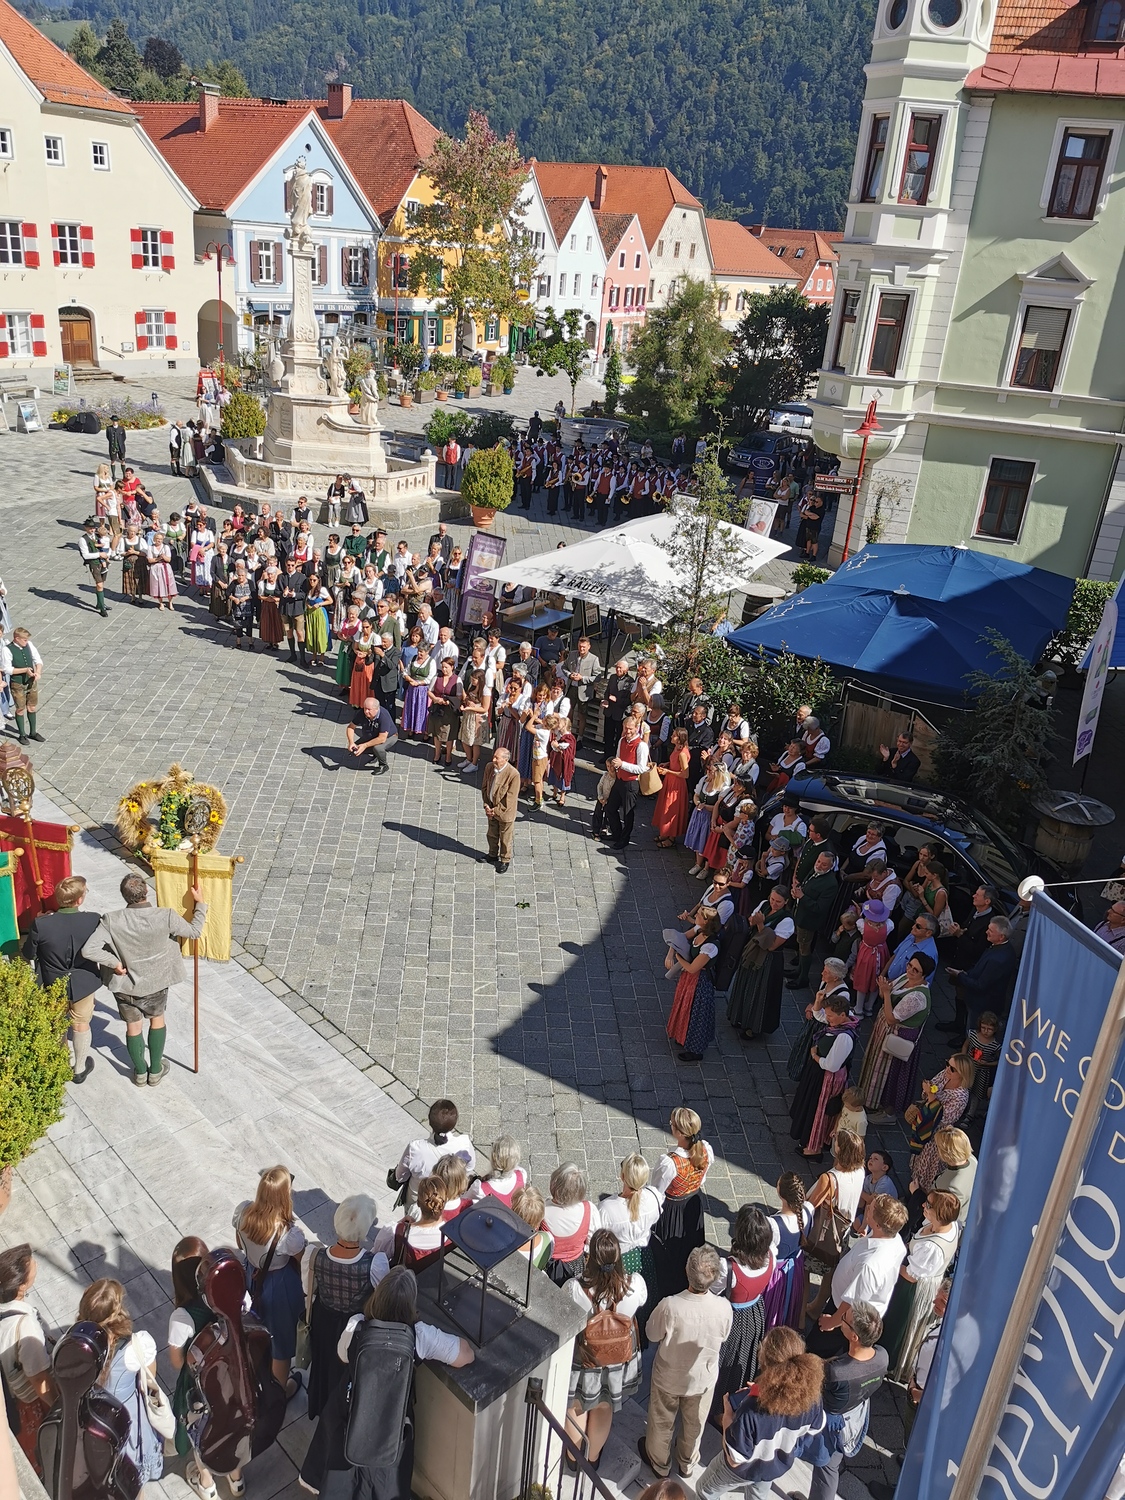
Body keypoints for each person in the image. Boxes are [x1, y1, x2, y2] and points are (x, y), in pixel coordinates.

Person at [299, 1267, 473, 1500]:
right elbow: (465, 1356)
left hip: (349, 1416)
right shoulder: (419, 1335)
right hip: (391, 1428)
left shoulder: (357, 1324)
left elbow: (342, 1355)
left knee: (341, 1477)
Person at [82, 872, 207, 1087]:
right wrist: (201, 904)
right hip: (156, 983)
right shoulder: (165, 915)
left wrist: (114, 963)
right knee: (157, 1020)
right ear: (146, 891)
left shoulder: (111, 920)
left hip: (125, 985)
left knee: (133, 1027)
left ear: (124, 895)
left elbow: (89, 950)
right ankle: (155, 1070)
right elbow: (194, 932)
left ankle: (140, 1073)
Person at [694, 1326, 824, 1500]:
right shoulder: (813, 1399)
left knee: (704, 1490)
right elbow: (813, 1430)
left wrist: (727, 1417)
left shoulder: (751, 1410)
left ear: (764, 1361)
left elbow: (735, 1459)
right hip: (773, 1467)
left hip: (741, 1471)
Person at [640, 1245, 732, 1480]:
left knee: (662, 1422)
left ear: (686, 1271)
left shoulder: (670, 1305)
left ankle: (660, 1464)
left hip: (669, 1376)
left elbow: (651, 1333)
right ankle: (687, 1463)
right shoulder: (724, 1307)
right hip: (703, 1378)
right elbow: (724, 1335)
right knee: (695, 1424)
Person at [565, 1229, 646, 1468]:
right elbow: (641, 1302)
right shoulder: (634, 1285)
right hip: (616, 1360)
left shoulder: (575, 1289)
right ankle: (592, 1459)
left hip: (584, 1358)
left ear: (590, 1259)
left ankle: (573, 1458)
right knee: (603, 1406)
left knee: (576, 1406)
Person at [78, 1278, 165, 1489]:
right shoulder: (137, 1346)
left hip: (92, 1417)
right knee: (132, 1478)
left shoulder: (76, 1344)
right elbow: (149, 1379)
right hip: (125, 1414)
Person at [233, 1165, 306, 1401]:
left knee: (257, 1326)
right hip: (279, 1286)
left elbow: (239, 1243)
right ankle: (278, 1395)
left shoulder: (243, 1212)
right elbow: (303, 1262)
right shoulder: (288, 1235)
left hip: (252, 1275)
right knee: (281, 1345)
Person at [803, 1301, 889, 1500]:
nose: (840, 1319)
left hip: (831, 1424)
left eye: (844, 1319)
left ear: (854, 1336)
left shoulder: (837, 1371)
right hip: (855, 1413)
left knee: (825, 1467)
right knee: (830, 1466)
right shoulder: (883, 1356)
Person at [303, 1195, 379, 1420]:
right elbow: (380, 1297)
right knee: (347, 1373)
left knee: (323, 1366)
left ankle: (321, 1406)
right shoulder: (375, 1263)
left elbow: (308, 1289)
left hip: (324, 1320)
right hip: (354, 1328)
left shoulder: (313, 1256)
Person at [23, 873, 103, 1083]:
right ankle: (79, 1068)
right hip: (84, 982)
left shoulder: (41, 924)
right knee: (81, 1024)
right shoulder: (93, 919)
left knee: (57, 1024)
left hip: (52, 982)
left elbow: (28, 954)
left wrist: (39, 922)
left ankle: (61, 1063)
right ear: (79, 900)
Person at [808, 1195, 909, 1358]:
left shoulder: (871, 1265)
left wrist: (832, 1322)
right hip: (847, 1306)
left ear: (878, 1225)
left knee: (816, 1349)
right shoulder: (893, 1238)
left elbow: (853, 1303)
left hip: (846, 1317)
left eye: (871, 1208)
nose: (867, 1207)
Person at [879, 1190, 960, 1380]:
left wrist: (891, 1261)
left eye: (929, 1205)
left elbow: (911, 1275)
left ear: (939, 1214)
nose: (923, 1205)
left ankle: (889, 1362)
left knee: (899, 1323)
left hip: (915, 1288)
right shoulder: (946, 1226)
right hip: (922, 1276)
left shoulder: (933, 1247)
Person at [857, 952, 935, 1116]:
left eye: (916, 970)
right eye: (910, 965)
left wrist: (886, 993)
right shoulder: (905, 978)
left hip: (898, 1036)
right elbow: (885, 994)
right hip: (885, 1030)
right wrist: (883, 989)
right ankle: (870, 1096)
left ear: (924, 975)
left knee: (890, 1073)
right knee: (875, 1064)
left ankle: (884, 1107)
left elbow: (891, 1018)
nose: (910, 970)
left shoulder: (917, 997)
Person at [789, 980, 859, 1160]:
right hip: (819, 1073)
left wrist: (815, 1056)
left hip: (827, 1077)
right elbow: (819, 1016)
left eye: (831, 1016)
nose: (828, 1019)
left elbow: (832, 1065)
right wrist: (818, 1002)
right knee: (812, 1107)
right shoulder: (839, 1024)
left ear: (843, 1015)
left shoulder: (844, 1037)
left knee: (819, 1110)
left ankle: (814, 1149)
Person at [0, 1244, 54, 1468]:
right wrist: (58, 1407)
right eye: (32, 1264)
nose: (36, 1263)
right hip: (29, 1404)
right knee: (44, 1453)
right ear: (21, 1286)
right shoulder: (25, 1327)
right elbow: (39, 1381)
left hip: (8, 1394)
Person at [651, 1108, 714, 1297]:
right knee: (690, 1245)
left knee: (670, 1251)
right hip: (693, 1205)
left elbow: (657, 1191)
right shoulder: (706, 1150)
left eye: (672, 1124)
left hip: (672, 1210)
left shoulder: (669, 1163)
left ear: (679, 1133)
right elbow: (702, 1179)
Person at [726, 886, 794, 1042]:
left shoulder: (787, 921)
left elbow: (772, 945)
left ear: (786, 902)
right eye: (772, 899)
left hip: (768, 960)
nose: (774, 903)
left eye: (778, 901)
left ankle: (753, 1027)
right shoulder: (764, 904)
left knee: (759, 992)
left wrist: (761, 925)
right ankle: (738, 1016)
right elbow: (751, 921)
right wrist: (755, 922)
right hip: (752, 950)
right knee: (744, 983)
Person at [937, 886, 998, 1035]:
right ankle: (958, 1023)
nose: (973, 896)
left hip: (971, 967)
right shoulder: (976, 911)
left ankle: (964, 1031)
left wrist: (960, 935)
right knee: (959, 994)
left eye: (977, 895)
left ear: (987, 901)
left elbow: (978, 950)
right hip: (961, 960)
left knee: (967, 999)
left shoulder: (989, 923)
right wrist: (961, 929)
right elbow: (968, 927)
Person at [392, 1100, 475, 1206]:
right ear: (455, 1122)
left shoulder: (415, 1148)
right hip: (448, 1200)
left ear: (430, 1121)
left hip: (419, 1201)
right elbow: (469, 1169)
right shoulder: (464, 1144)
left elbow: (400, 1177)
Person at [945, 916, 1018, 1028]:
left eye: (991, 931)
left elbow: (980, 985)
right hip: (983, 1001)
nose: (986, 932)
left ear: (1001, 937)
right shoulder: (1002, 948)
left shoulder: (997, 960)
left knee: (974, 1030)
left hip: (982, 1005)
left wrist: (960, 975)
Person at [665, 915, 720, 1063]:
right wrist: (670, 953)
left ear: (707, 922)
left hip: (700, 982)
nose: (696, 916)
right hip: (689, 979)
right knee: (684, 1007)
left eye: (700, 915)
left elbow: (692, 968)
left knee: (696, 1014)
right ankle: (682, 1036)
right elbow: (679, 938)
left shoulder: (711, 946)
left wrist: (678, 957)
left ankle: (695, 1051)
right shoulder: (699, 930)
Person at [789, 849, 840, 990]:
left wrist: (802, 897)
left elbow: (820, 907)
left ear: (831, 866)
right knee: (800, 945)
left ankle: (803, 978)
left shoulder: (831, 883)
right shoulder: (815, 871)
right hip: (801, 914)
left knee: (804, 948)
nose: (819, 865)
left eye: (824, 864)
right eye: (818, 861)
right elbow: (805, 886)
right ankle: (798, 971)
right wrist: (796, 892)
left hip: (809, 920)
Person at [480, 746, 520, 873]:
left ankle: (504, 860)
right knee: (491, 834)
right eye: (494, 757)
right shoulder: (489, 767)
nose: (494, 760)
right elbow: (484, 788)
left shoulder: (513, 775)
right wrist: (486, 805)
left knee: (505, 837)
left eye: (496, 758)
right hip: (491, 808)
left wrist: (495, 810)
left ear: (505, 760)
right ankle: (492, 854)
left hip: (505, 813)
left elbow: (510, 799)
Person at [3, 627, 44, 744]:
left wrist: (38, 672)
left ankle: (33, 732)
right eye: (24, 640)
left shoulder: (29, 645)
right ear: (17, 638)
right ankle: (22, 734)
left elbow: (38, 660)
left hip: (31, 681)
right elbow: (7, 669)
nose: (27, 642)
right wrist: (25, 670)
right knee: (20, 708)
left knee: (32, 707)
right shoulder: (7, 649)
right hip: (18, 684)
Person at [653, 727, 692, 847]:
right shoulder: (677, 748)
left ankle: (671, 838)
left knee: (671, 809)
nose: (671, 736)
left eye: (674, 735)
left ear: (679, 739)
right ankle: (666, 833)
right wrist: (668, 764)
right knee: (665, 807)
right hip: (670, 781)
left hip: (676, 785)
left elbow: (685, 774)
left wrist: (668, 771)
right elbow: (676, 763)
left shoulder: (682, 753)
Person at [563, 637, 600, 747]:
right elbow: (564, 667)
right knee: (568, 712)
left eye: (584, 647)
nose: (581, 649)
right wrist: (570, 675)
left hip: (584, 691)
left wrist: (582, 678)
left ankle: (579, 738)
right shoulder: (572, 654)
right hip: (572, 688)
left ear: (589, 647)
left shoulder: (594, 659)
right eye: (580, 646)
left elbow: (597, 677)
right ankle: (567, 734)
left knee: (582, 715)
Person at [78, 516, 111, 617]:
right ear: (85, 528)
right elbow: (85, 555)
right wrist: (99, 554)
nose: (92, 530)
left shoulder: (97, 536)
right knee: (99, 584)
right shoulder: (83, 540)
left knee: (101, 584)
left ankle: (100, 603)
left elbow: (107, 546)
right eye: (90, 528)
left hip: (103, 562)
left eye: (93, 528)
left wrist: (108, 554)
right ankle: (102, 608)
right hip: (94, 563)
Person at [107, 414, 127, 479]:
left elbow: (124, 437)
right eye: (113, 421)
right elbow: (108, 437)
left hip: (121, 447)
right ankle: (113, 475)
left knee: (122, 460)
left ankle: (124, 475)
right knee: (113, 460)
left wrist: (120, 443)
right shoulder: (109, 428)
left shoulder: (121, 428)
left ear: (117, 421)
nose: (114, 422)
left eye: (116, 421)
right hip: (113, 447)